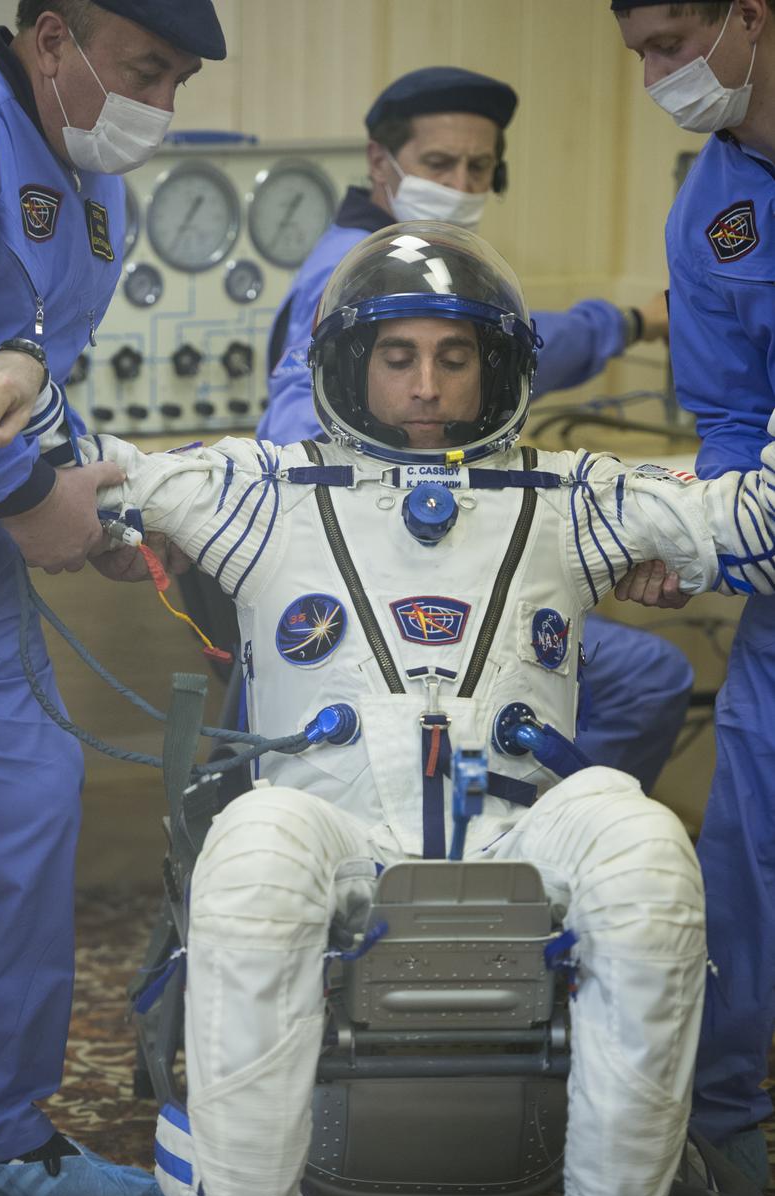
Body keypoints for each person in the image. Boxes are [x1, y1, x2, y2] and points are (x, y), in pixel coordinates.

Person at [44, 220, 775, 1196]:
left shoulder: (569, 497)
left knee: (647, 850)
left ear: (496, 367)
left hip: (520, 831)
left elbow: (751, 522)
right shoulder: (262, 491)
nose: (426, 386)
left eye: (453, 356)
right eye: (397, 356)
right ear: (351, 362)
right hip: (332, 828)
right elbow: (80, 475)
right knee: (250, 846)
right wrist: (11, 373)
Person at [0, 0, 225, 1196]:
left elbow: (28, 383)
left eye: (179, 81)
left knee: (24, 817)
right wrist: (36, 501)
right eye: (146, 70)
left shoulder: (93, 180)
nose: (162, 106)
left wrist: (104, 501)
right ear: (53, 41)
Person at [255, 65, 694, 795]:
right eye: (438, 163)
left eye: (478, 167)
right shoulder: (349, 275)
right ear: (380, 162)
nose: (459, 185)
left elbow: (517, 347)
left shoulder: (420, 263)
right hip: (379, 588)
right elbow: (302, 444)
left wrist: (626, 322)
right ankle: (532, 823)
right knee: (648, 677)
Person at [613, 0, 775, 1190]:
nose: (655, 76)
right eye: (639, 56)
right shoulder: (706, 214)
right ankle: (719, 1130)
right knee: (744, 853)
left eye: (670, 44)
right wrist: (703, 539)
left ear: (748, 18)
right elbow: (725, 423)